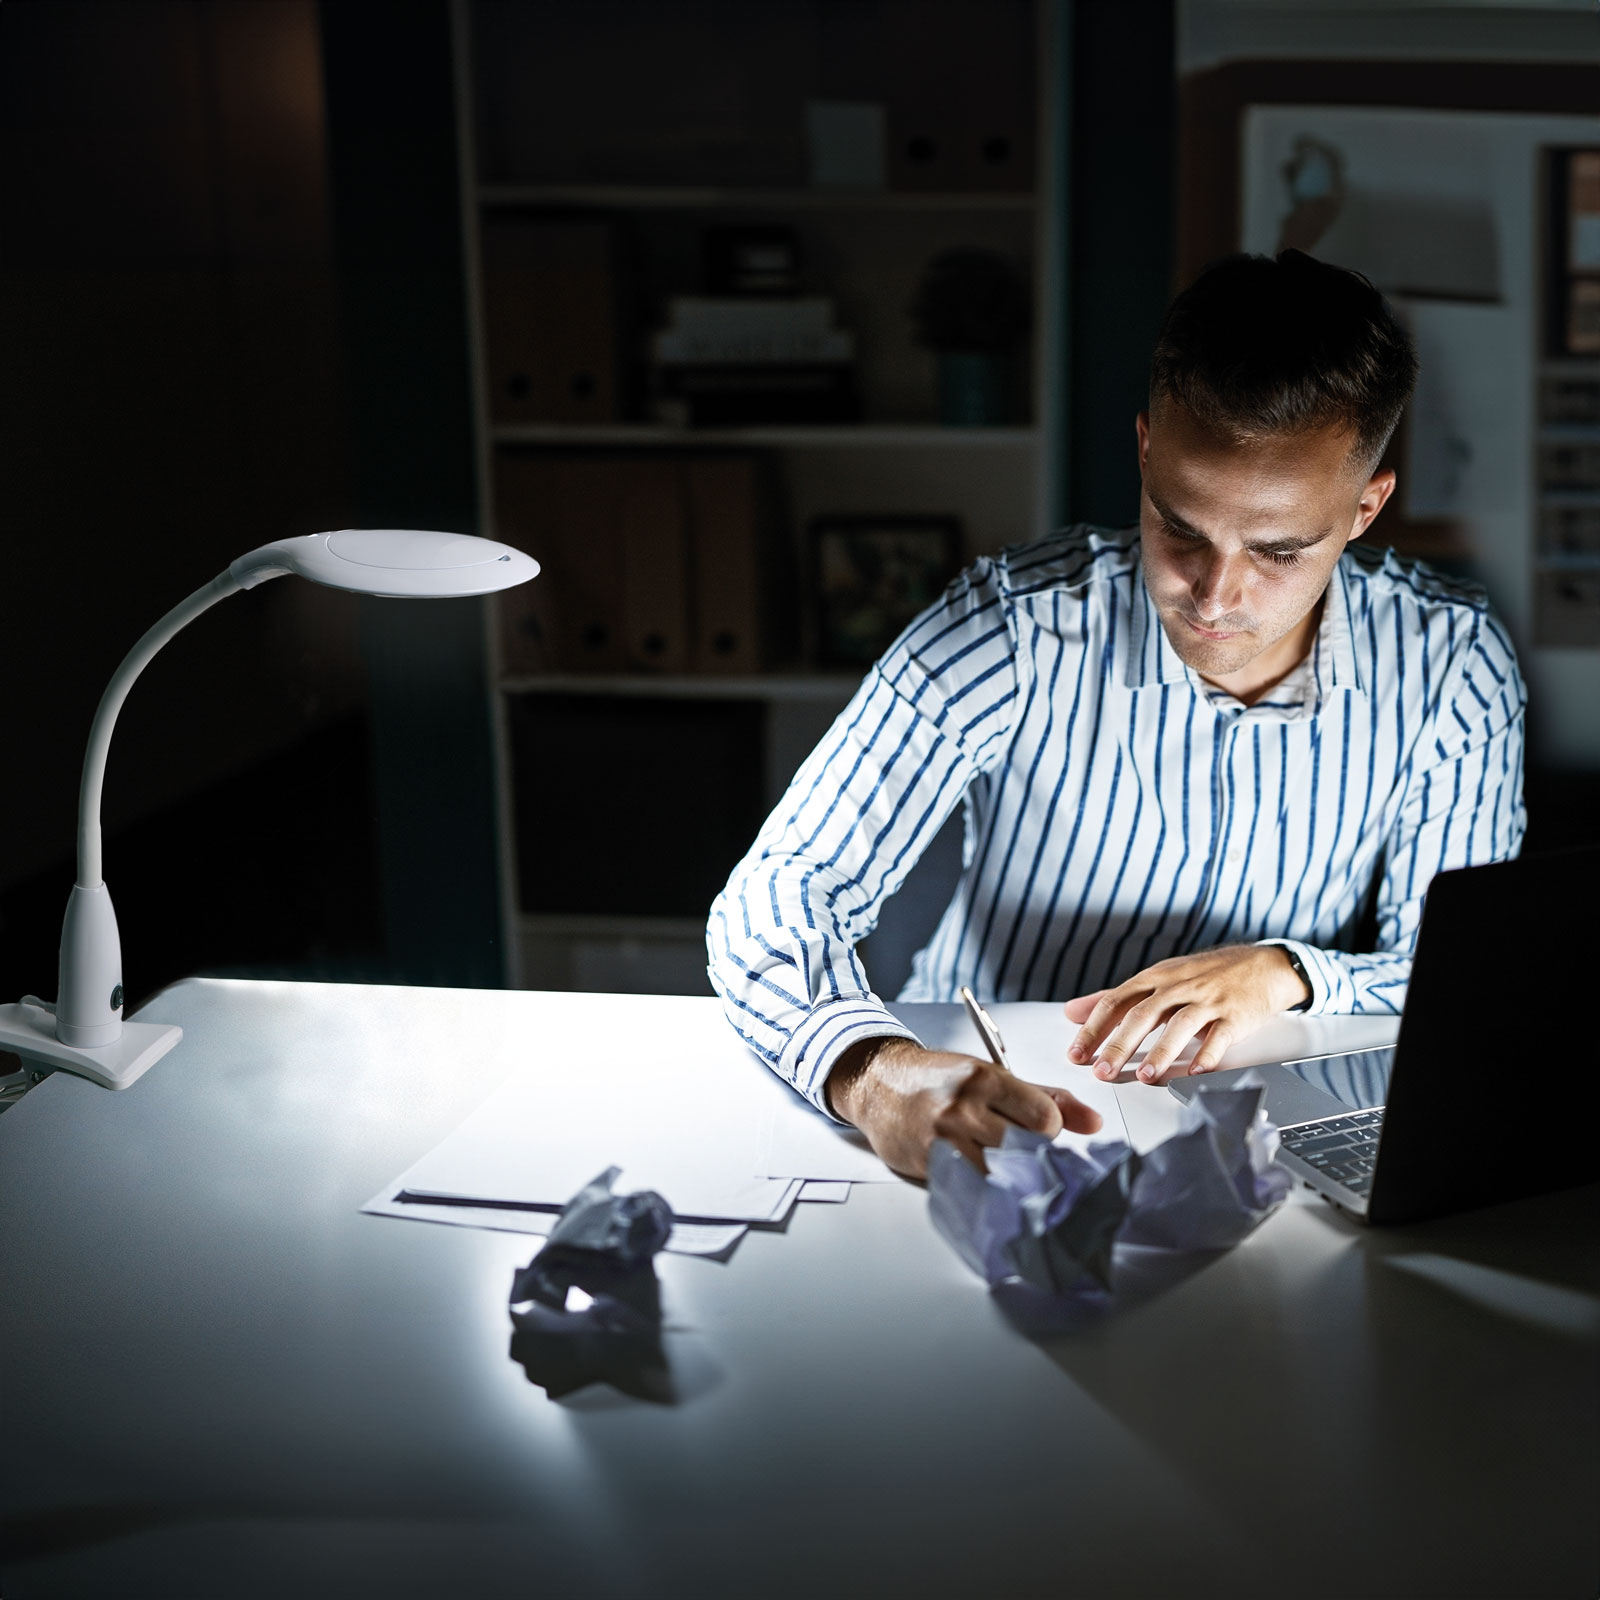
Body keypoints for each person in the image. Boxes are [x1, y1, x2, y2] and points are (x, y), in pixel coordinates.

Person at [706, 250, 1526, 1179]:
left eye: (1280, 551)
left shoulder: (1453, 665)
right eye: (1180, 526)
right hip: (990, 1112)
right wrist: (871, 1074)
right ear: (1144, 451)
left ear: (1366, 507)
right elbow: (775, 899)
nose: (1216, 596)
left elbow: (1463, 971)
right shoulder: (1007, 629)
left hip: (1270, 1136)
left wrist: (1290, 972)